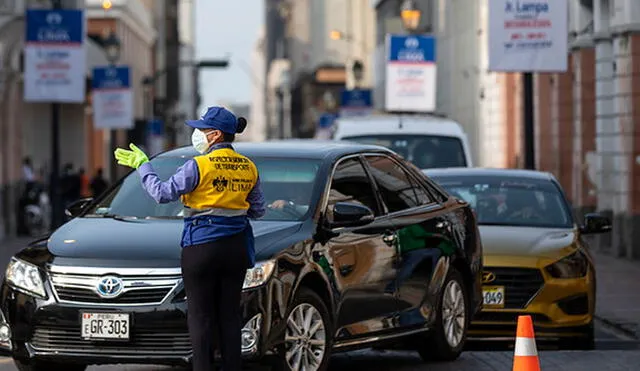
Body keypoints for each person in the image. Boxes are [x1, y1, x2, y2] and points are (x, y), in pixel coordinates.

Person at [113, 106, 265, 371]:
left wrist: (143, 166)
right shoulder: (249, 167)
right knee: (230, 315)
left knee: (201, 315)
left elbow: (161, 194)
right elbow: (258, 210)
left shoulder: (198, 165)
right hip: (236, 248)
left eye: (202, 130)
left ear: (216, 135)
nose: (197, 134)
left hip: (201, 246)